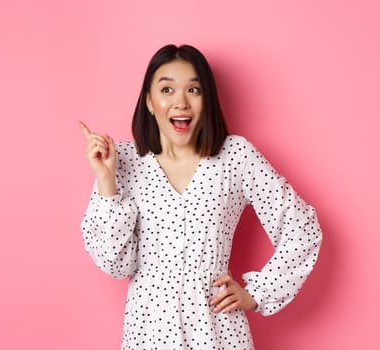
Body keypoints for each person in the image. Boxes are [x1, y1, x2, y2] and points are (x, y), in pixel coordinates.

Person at [79, 44, 322, 349]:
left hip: (217, 333)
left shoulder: (236, 156)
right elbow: (116, 264)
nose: (180, 102)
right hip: (148, 334)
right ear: (150, 102)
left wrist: (258, 293)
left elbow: (301, 229)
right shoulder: (123, 161)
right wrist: (106, 180)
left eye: (194, 90)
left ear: (207, 99)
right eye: (167, 90)